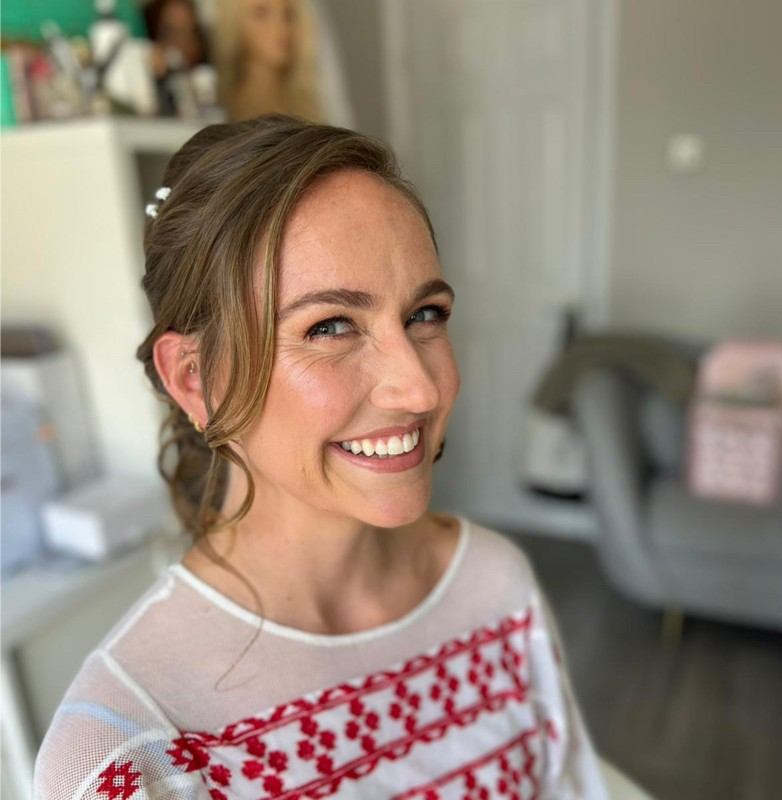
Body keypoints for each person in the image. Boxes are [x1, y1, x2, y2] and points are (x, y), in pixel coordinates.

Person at [33, 115, 610, 799]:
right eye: (330, 326)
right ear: (195, 379)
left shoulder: (495, 589)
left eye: (425, 314)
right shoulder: (126, 754)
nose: (420, 390)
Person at [214, 0, 322, 123]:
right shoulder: (217, 108)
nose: (282, 28)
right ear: (234, 21)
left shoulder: (310, 108)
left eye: (289, 14)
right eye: (261, 14)